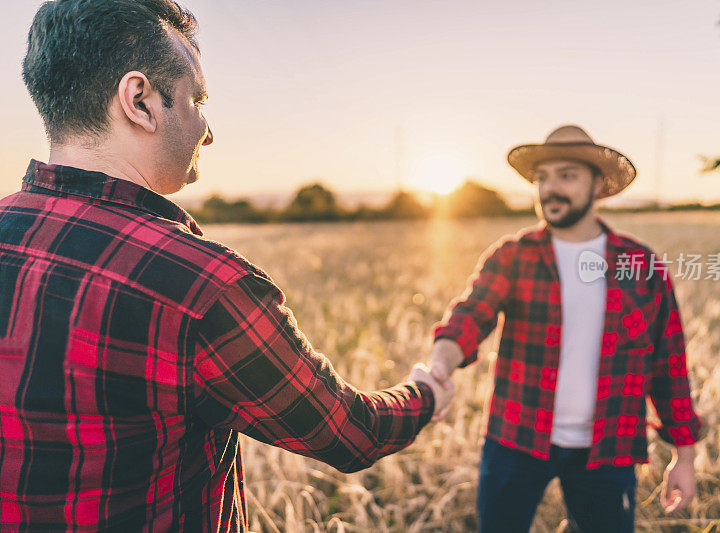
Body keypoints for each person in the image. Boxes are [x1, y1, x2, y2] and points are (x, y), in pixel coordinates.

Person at [0, 1, 453, 530]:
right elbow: (352, 432)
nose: (207, 130)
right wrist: (427, 394)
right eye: (196, 99)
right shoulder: (200, 287)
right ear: (139, 100)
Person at [428, 125, 703, 532]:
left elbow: (668, 365)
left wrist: (685, 456)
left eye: (567, 176)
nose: (550, 188)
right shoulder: (514, 256)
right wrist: (439, 365)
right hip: (516, 439)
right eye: (543, 177)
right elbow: (469, 318)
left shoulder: (640, 265)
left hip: (609, 447)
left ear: (598, 185)